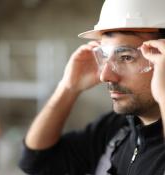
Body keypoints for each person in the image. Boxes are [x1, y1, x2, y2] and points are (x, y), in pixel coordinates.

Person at [19, 0, 165, 174]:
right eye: (104, 57)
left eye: (126, 57)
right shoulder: (117, 128)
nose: (105, 75)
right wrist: (68, 87)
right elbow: (36, 161)